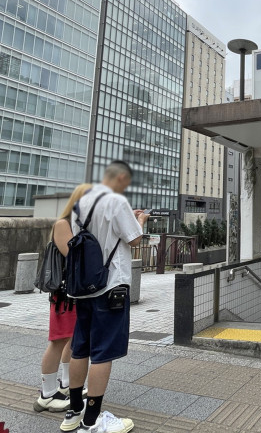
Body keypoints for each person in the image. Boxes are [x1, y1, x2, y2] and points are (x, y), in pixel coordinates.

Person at [61, 161, 149, 433]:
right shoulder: (116, 201)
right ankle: (92, 421)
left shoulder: (81, 203)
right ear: (121, 177)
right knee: (102, 353)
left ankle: (73, 413)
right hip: (110, 286)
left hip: (84, 285)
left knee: (81, 348)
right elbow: (134, 240)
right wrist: (141, 221)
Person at [34, 183, 92, 413]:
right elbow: (75, 255)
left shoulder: (81, 225)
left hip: (78, 293)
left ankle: (67, 384)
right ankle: (46, 394)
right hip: (64, 294)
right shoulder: (63, 224)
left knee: (73, 339)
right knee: (58, 340)